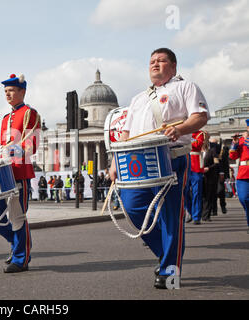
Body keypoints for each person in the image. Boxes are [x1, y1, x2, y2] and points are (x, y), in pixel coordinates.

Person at [109, 48, 209, 289]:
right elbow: (125, 134)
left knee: (170, 216)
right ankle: (166, 253)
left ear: (173, 66)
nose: (155, 64)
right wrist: (114, 161)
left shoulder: (186, 87)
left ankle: (169, 270)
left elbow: (201, 117)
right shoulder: (137, 98)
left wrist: (180, 129)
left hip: (170, 157)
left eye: (161, 60)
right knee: (133, 209)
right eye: (152, 61)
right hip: (137, 162)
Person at [0, 74, 40, 273]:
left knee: (17, 215)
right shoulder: (6, 118)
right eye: (5, 91)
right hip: (4, 173)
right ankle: (18, 244)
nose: (7, 94)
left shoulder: (29, 113)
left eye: (11, 90)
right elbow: (3, 146)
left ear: (22, 92)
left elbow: (32, 143)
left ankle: (21, 259)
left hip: (19, 171)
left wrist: (19, 150)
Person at [229, 122, 249, 233]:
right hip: (244, 172)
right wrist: (235, 143)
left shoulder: (245, 139)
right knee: (243, 198)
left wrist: (246, 140)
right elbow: (232, 156)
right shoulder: (241, 140)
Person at [185, 130, 207, 225]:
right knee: (184, 192)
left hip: (196, 167)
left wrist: (186, 137)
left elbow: (197, 145)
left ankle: (196, 216)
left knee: (196, 192)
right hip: (185, 166)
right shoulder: (184, 133)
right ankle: (190, 211)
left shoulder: (200, 134)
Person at [202, 138, 220, 222]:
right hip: (198, 176)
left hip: (209, 177)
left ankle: (206, 215)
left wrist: (208, 168)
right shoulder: (196, 151)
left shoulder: (212, 151)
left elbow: (216, 163)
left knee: (208, 196)